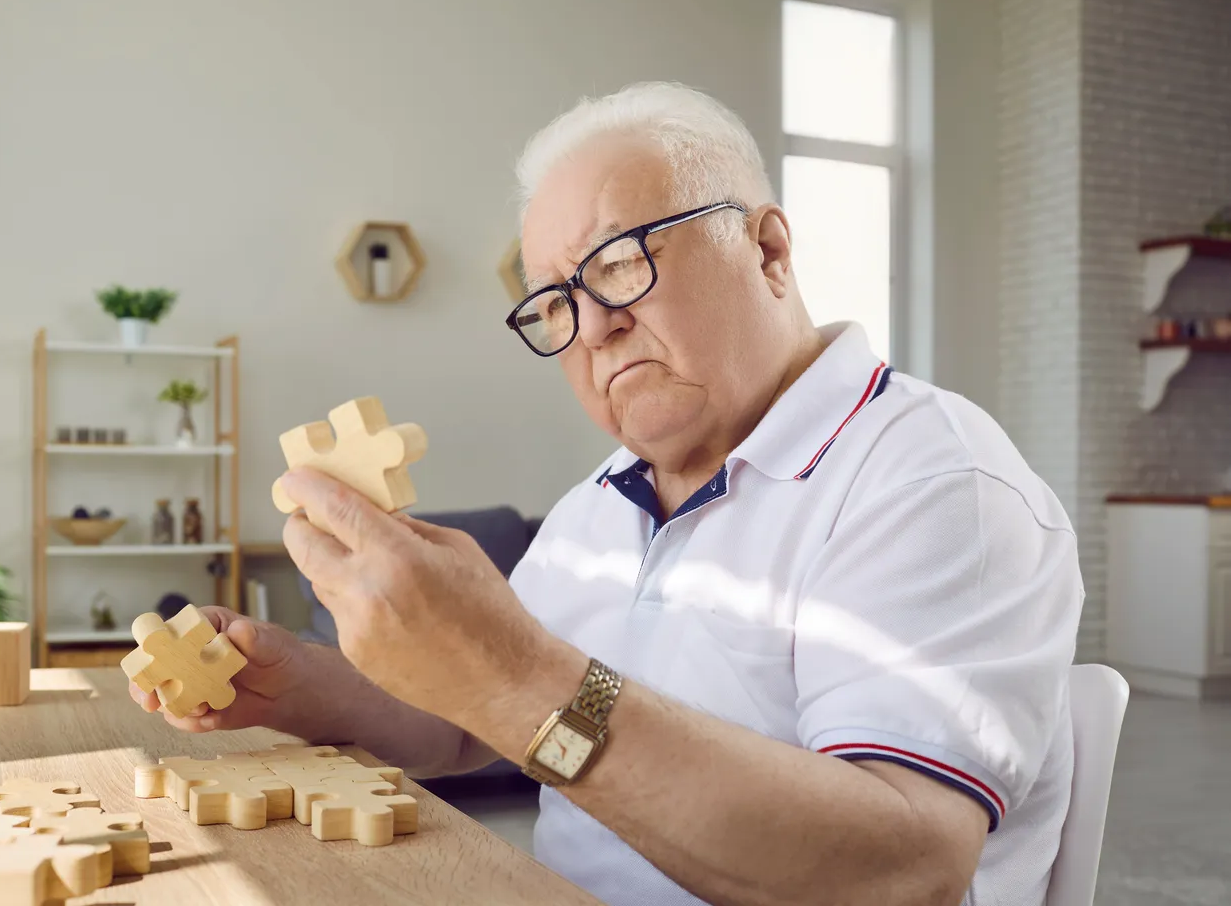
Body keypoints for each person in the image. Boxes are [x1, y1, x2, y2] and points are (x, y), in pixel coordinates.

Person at [129, 81, 1083, 906]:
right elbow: (475, 724)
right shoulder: (605, 498)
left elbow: (903, 868)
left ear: (770, 250)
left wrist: (514, 671)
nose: (590, 327)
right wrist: (303, 685)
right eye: (552, 303)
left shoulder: (933, 481)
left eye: (621, 261)